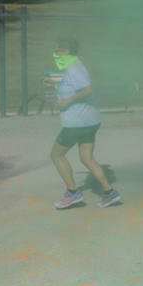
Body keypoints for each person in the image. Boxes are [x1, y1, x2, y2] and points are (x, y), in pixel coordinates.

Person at [49, 38, 120, 209]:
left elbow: (87, 90)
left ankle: (73, 193)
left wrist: (67, 101)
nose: (56, 51)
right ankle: (109, 193)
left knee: (56, 155)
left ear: (67, 51)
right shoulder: (74, 65)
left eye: (59, 49)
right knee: (87, 158)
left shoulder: (73, 68)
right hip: (89, 120)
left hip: (77, 123)